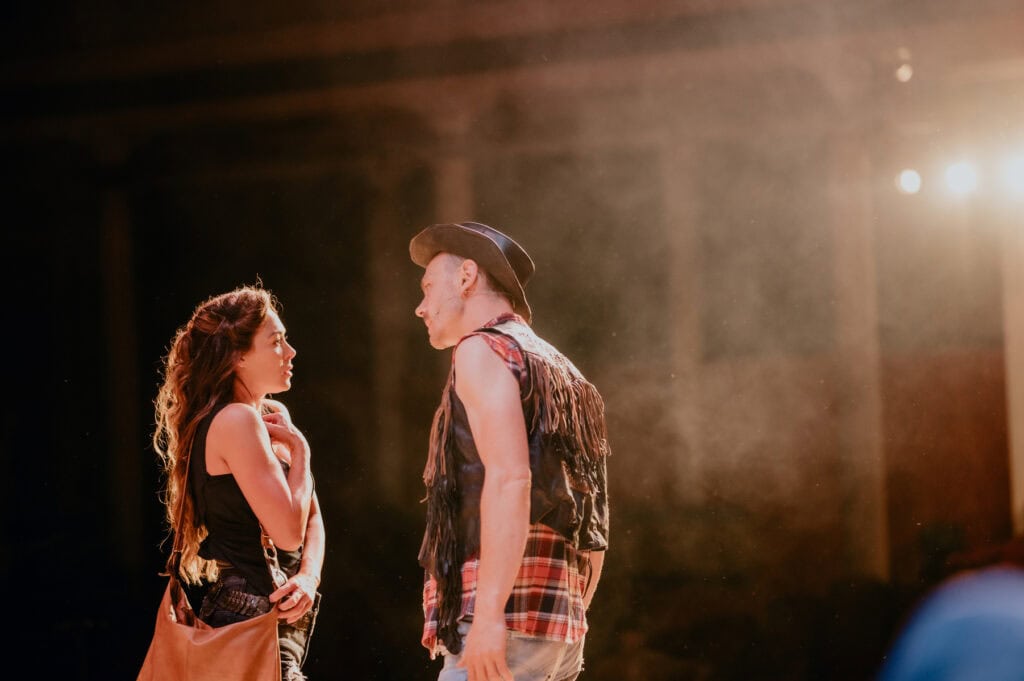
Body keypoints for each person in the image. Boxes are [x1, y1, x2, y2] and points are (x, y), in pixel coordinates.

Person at [409, 222, 611, 681]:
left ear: (466, 277)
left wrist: (488, 616)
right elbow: (594, 519)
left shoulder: (481, 350)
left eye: (427, 288)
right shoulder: (565, 371)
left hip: (508, 619)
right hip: (558, 625)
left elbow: (509, 478)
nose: (420, 307)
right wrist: (574, 610)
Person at [152, 284, 324, 681]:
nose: (291, 352)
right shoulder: (236, 421)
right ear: (239, 356)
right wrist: (302, 452)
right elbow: (287, 534)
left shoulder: (266, 413)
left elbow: (312, 515)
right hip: (248, 614)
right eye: (276, 342)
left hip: (271, 617)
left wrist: (308, 577)